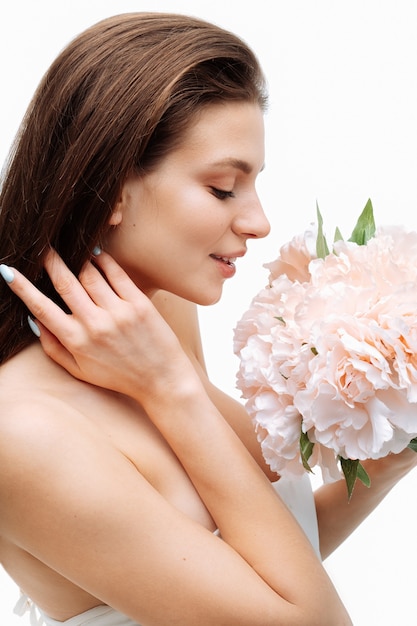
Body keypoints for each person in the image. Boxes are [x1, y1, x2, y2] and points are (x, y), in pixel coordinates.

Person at [0, 12, 415, 626]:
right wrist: (169, 387)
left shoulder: (157, 318)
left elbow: (260, 568)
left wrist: (387, 466)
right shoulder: (24, 435)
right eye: (224, 189)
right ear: (111, 186)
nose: (259, 222)